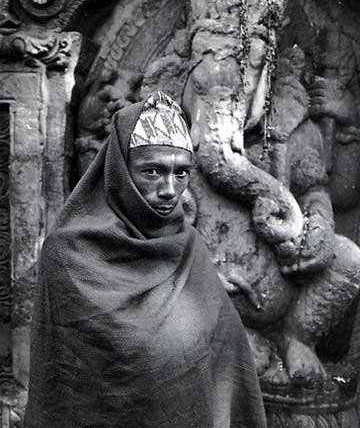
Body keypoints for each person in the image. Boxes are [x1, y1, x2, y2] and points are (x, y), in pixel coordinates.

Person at [24, 91, 268, 428]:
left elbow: (226, 354)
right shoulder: (69, 252)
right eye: (152, 171)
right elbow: (66, 383)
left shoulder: (188, 246)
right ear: (120, 169)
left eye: (181, 173)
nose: (169, 189)